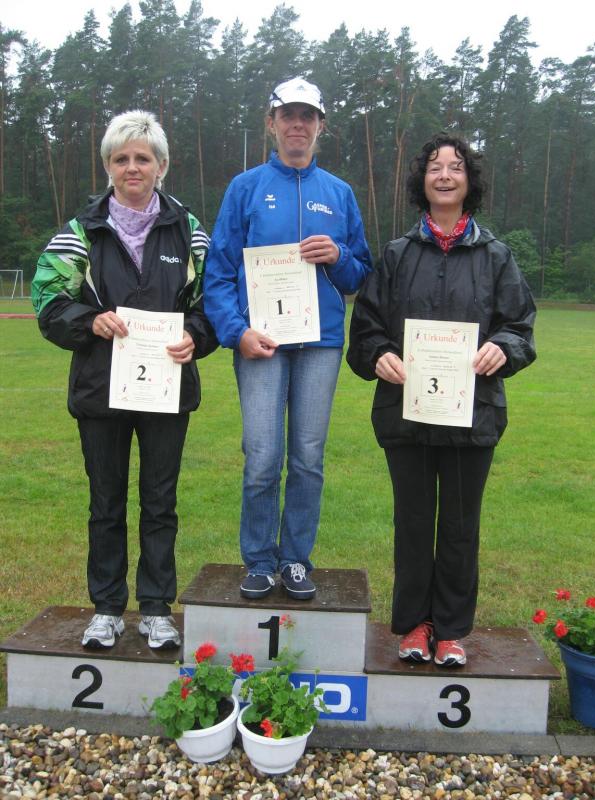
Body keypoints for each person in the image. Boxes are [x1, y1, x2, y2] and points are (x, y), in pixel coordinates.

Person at [347, 133, 536, 666]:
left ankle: (451, 631)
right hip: (405, 415)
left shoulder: (496, 255)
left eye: (455, 167)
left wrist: (503, 348)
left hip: (472, 417)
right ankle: (413, 625)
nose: (445, 175)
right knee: (411, 524)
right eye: (435, 167)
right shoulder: (397, 254)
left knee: (458, 527)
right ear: (422, 181)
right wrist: (380, 354)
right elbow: (365, 330)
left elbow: (520, 326)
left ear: (469, 181)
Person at [31, 110, 217, 650]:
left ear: (162, 165)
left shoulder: (190, 232)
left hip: (167, 388)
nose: (132, 167)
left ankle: (156, 609)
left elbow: (214, 303)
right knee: (105, 504)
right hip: (99, 389)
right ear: (108, 167)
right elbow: (47, 299)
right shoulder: (79, 232)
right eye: (120, 159)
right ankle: (107, 608)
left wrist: (195, 337)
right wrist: (89, 321)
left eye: (142, 158)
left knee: (160, 503)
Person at [204, 77, 372, 601]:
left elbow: (360, 274)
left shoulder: (339, 193)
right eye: (288, 115)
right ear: (272, 123)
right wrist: (236, 332)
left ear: (321, 126)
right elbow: (218, 271)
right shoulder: (245, 187)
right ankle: (259, 560)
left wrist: (338, 256)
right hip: (261, 342)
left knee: (307, 457)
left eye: (308, 116)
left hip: (320, 343)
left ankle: (296, 558)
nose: (298, 124)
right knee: (261, 456)